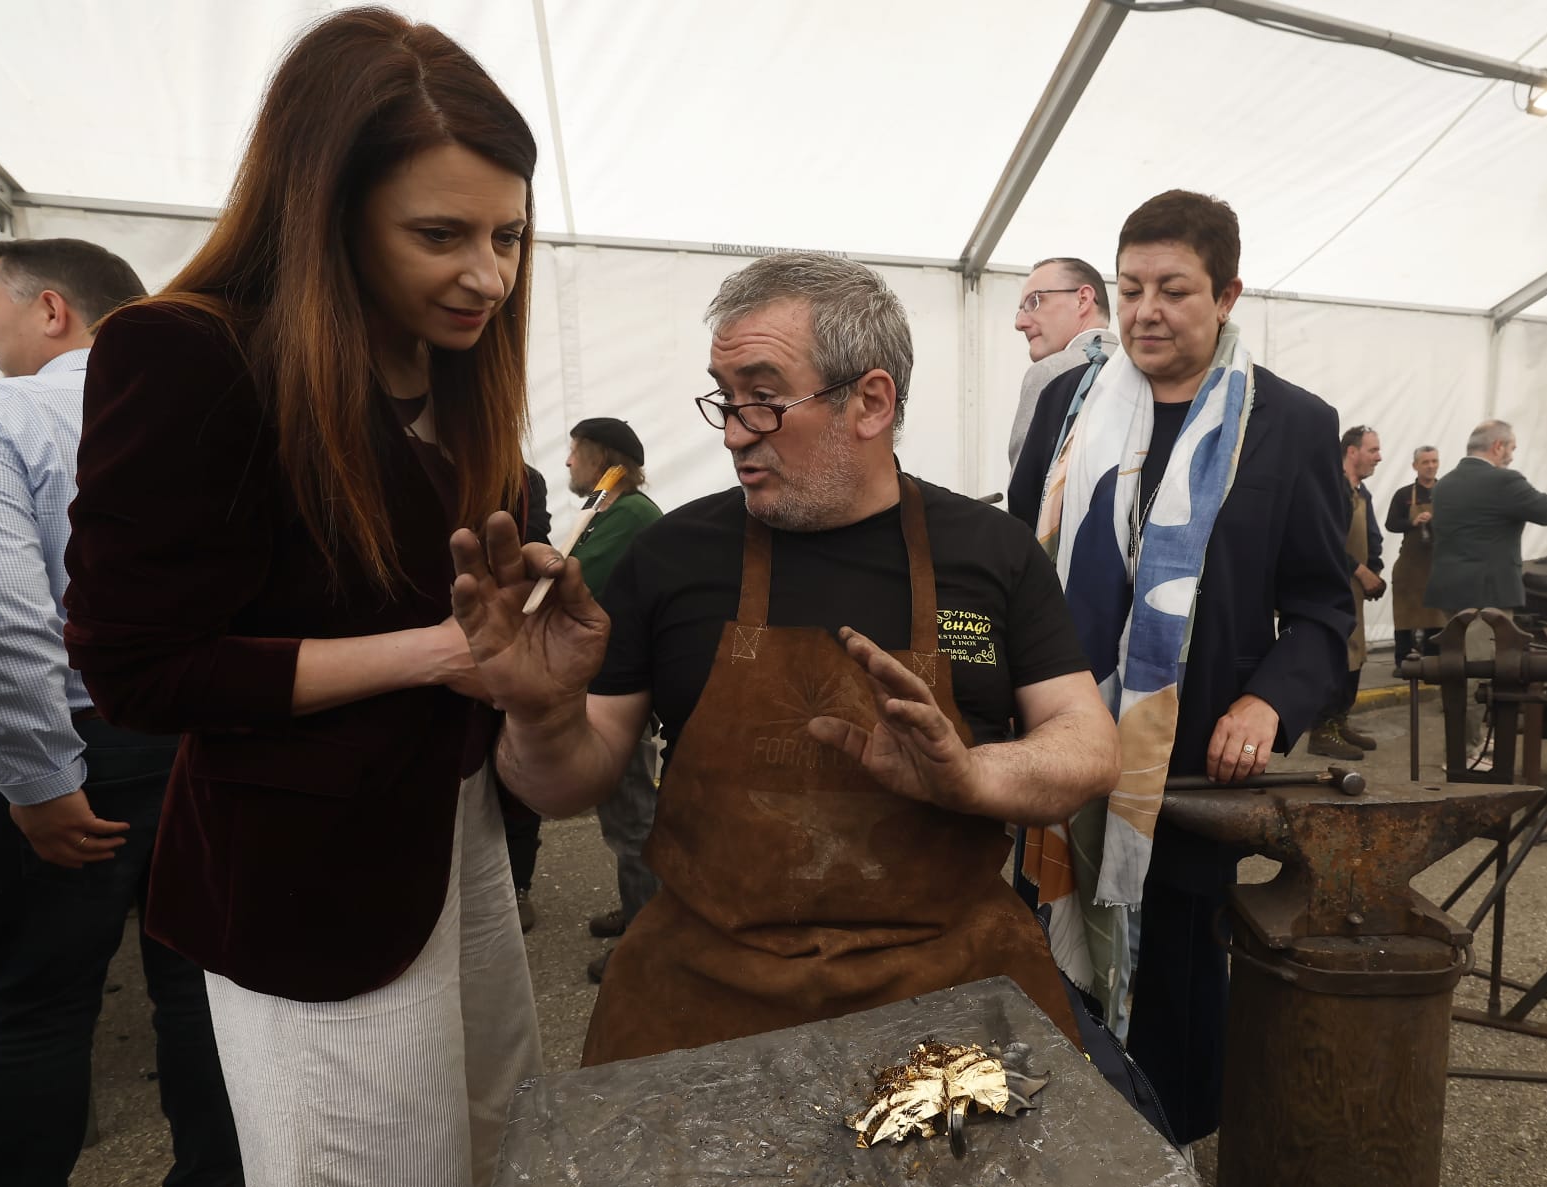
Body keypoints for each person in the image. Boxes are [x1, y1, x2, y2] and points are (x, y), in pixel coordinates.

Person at [63, 11, 543, 1187]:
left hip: (454, 830)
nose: (488, 273)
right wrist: (442, 653)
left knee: (494, 1151)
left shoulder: (456, 364)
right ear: (323, 207)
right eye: (440, 234)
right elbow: (141, 670)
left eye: (509, 236)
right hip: (305, 879)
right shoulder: (188, 357)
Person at [449, 251, 1119, 1067]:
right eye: (725, 399)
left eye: (763, 400)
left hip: (950, 975)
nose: (733, 432)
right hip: (704, 984)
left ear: (870, 401)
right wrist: (542, 713)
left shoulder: (993, 552)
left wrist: (974, 777)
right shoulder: (672, 555)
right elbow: (562, 785)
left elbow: (1087, 744)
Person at [1009, 189, 1355, 1144]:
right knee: (1038, 974)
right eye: (1128, 289)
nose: (1145, 311)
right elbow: (1012, 576)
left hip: (1188, 770)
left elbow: (1325, 607)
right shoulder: (1063, 417)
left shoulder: (1288, 425)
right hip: (1055, 757)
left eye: (1173, 289)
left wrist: (1266, 701)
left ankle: (1162, 1165)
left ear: (1228, 293)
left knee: (1173, 989)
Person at [0, 239, 247, 1187]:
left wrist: (38, 778)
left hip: (81, 744)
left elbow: (5, 621)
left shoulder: (7, 412)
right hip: (206, 731)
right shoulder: (222, 410)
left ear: (52, 309)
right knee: (197, 982)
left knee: (36, 1002)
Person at [560, 416, 665, 983]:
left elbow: (572, 582)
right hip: (606, 678)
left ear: (602, 457)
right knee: (622, 809)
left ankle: (648, 942)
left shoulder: (628, 516)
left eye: (576, 452)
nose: (569, 463)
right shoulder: (610, 512)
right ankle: (636, 910)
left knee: (631, 815)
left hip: (619, 685)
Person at [1424, 419, 1547, 613]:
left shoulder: (1443, 485)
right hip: (1489, 596)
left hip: (1449, 592)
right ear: (1498, 446)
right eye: (1512, 449)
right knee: (1488, 644)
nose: (1512, 457)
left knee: (1457, 644)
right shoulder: (1504, 480)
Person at [1308, 425, 1385, 760]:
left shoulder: (1360, 492)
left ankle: (1340, 722)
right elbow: (1323, 540)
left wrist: (1376, 571)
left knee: (1355, 657)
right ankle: (1322, 732)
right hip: (1332, 588)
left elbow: (1373, 537)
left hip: (1353, 590)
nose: (1379, 457)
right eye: (1373, 450)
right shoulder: (1332, 489)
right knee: (1335, 659)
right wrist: (1361, 571)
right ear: (1352, 452)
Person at [1007, 256, 1118, 467]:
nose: (1019, 323)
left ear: (1083, 299)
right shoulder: (1146, 370)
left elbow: (1025, 490)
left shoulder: (1050, 373)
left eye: (1035, 301)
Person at [503, 463, 553, 933]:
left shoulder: (521, 478)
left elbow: (535, 534)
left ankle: (517, 886)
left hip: (508, 637)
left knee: (517, 782)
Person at [1384, 444, 1446, 664]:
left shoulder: (1446, 491)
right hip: (1410, 565)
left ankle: (1433, 659)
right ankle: (1402, 659)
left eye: (1434, 461)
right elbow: (1391, 524)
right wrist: (1412, 521)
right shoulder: (1403, 495)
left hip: (1438, 564)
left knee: (1436, 613)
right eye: (1425, 462)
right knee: (1405, 612)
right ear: (1415, 466)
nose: (1431, 466)